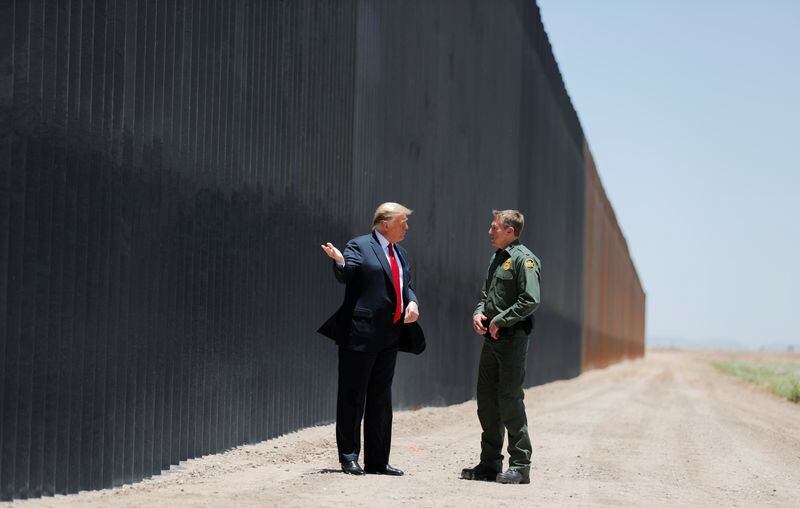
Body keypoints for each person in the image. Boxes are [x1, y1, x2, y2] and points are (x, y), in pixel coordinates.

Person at [318, 202, 421, 476]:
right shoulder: (359, 245)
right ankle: (349, 456)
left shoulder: (400, 252)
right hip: (360, 334)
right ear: (385, 223)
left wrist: (412, 303)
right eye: (403, 223)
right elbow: (348, 273)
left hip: (390, 334)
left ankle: (378, 461)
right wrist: (339, 261)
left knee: (381, 398)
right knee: (353, 396)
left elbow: (406, 285)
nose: (407, 228)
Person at [461, 209, 541, 485]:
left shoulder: (524, 260)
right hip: (491, 339)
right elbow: (486, 295)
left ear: (510, 230)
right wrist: (479, 312)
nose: (489, 231)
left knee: (509, 400)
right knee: (486, 401)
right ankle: (490, 463)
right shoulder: (497, 258)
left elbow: (531, 299)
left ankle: (520, 466)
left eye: (494, 227)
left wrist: (501, 320)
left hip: (512, 340)